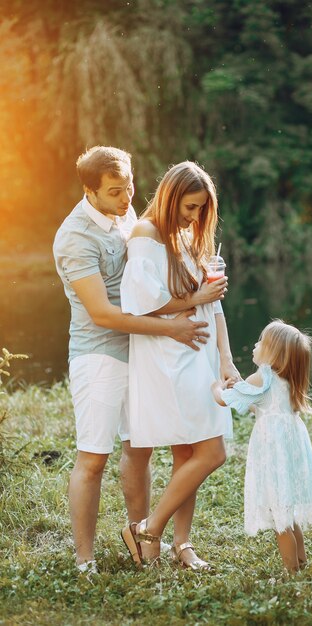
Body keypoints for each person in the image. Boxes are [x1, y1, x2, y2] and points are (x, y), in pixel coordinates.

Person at [53, 146, 213, 573]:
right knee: (93, 458)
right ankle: (84, 560)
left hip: (141, 353)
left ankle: (140, 538)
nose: (127, 200)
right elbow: (103, 314)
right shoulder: (74, 237)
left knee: (139, 450)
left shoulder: (129, 220)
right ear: (90, 191)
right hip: (100, 355)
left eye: (129, 188)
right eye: (115, 193)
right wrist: (173, 327)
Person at [119, 161, 240, 569]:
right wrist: (195, 301)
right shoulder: (146, 236)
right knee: (212, 451)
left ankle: (181, 544)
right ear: (171, 197)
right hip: (169, 357)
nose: (195, 216)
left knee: (188, 453)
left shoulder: (185, 236)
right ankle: (149, 529)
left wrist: (226, 358)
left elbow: (214, 305)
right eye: (190, 207)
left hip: (201, 354)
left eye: (201, 209)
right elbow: (141, 302)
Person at [212, 319, 312, 573]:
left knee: (280, 521)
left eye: (260, 342)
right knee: (287, 513)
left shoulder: (261, 377)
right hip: (290, 452)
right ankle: (301, 562)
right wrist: (242, 385)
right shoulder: (288, 380)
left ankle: (292, 574)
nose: (255, 345)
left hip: (273, 454)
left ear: (273, 353)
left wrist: (216, 387)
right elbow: (259, 403)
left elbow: (225, 401)